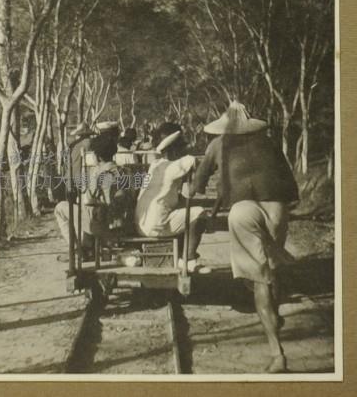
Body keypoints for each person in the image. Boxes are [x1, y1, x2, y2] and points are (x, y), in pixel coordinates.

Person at [191, 101, 299, 373]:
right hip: (277, 206)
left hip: (242, 211)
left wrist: (195, 192)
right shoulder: (269, 142)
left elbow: (198, 184)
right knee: (272, 268)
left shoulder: (217, 145)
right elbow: (289, 182)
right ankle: (274, 307)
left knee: (258, 278)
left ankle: (277, 354)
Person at [134, 123, 210, 274]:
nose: (183, 150)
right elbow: (197, 162)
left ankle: (182, 255)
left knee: (182, 212)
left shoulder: (154, 165)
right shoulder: (175, 165)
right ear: (173, 149)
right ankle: (188, 259)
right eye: (181, 148)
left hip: (141, 225)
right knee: (200, 213)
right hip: (157, 226)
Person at [55, 133, 126, 260]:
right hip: (121, 223)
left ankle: (77, 250)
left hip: (103, 225)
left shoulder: (101, 173)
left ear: (97, 156)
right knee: (87, 210)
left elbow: (91, 199)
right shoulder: (121, 170)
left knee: (60, 208)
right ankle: (87, 247)